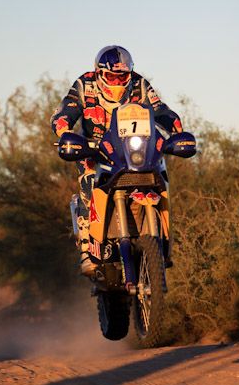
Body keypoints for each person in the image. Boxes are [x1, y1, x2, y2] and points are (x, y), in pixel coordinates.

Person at [51, 45, 183, 275]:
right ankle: (87, 246)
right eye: (111, 76)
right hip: (96, 150)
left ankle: (163, 238)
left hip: (134, 150)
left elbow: (159, 109)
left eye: (122, 76)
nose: (117, 82)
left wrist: (176, 127)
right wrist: (63, 130)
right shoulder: (85, 84)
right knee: (89, 177)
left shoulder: (139, 84)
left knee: (160, 171)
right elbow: (67, 110)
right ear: (99, 73)